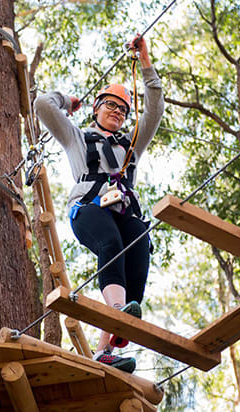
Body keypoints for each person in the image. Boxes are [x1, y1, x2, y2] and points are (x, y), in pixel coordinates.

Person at [34, 35, 164, 373]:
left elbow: (156, 108)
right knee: (110, 242)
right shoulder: (77, 136)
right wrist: (69, 101)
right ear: (96, 108)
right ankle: (118, 311)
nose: (117, 113)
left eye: (122, 110)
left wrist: (145, 62)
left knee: (137, 248)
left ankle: (106, 347)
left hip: (125, 210)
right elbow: (43, 105)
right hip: (89, 207)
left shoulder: (132, 143)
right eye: (111, 106)